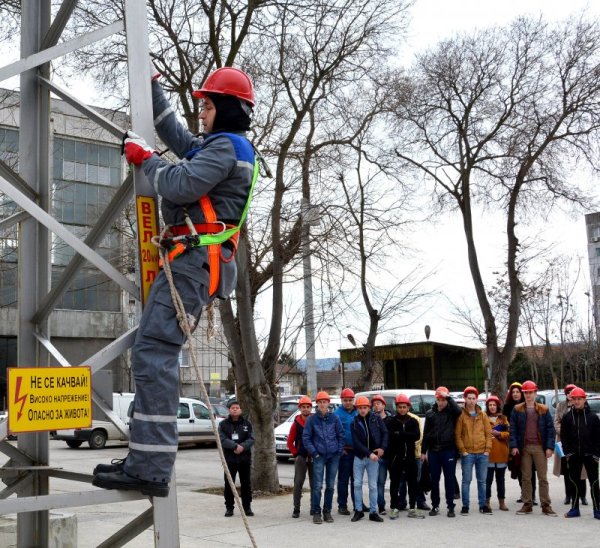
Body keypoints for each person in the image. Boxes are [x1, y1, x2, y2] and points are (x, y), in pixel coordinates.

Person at [93, 67, 257, 497]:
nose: (201, 113)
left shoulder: (226, 148)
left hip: (190, 265)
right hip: (192, 265)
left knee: (154, 355)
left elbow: (180, 183)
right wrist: (152, 89)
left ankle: (149, 465)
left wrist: (146, 159)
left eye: (206, 106)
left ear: (224, 109)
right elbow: (179, 137)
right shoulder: (225, 146)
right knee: (153, 353)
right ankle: (145, 462)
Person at [509, 380, 557, 516]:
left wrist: (549, 447)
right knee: (526, 477)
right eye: (526, 393)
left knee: (542, 477)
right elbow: (512, 429)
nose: (528, 395)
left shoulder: (544, 409)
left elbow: (550, 429)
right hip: (524, 448)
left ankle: (546, 505)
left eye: (530, 392)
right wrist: (513, 446)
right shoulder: (517, 409)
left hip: (540, 448)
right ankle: (527, 504)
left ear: (535, 393)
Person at [303, 391, 345, 524]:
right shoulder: (311, 419)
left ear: (328, 403)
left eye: (324, 402)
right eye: (320, 402)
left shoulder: (335, 418)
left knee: (331, 486)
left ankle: (327, 511)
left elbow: (341, 435)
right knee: (317, 485)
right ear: (317, 404)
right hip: (319, 456)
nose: (322, 404)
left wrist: (338, 451)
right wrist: (314, 452)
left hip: (333, 456)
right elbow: (306, 438)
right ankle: (316, 512)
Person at [421, 386, 462, 518]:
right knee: (434, 480)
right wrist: (423, 451)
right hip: (433, 451)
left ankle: (450, 506)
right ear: (436, 399)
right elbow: (426, 434)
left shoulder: (452, 412)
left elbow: (459, 411)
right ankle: (435, 505)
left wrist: (449, 397)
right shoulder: (430, 413)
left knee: (449, 479)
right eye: (439, 399)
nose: (441, 402)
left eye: (444, 399)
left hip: (448, 450)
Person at [560, 387, 600, 519]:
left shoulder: (593, 417)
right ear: (571, 400)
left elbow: (598, 437)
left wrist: (596, 454)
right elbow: (564, 437)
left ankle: (597, 509)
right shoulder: (567, 417)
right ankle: (575, 508)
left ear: (584, 399)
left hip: (590, 455)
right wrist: (568, 453)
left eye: (579, 399)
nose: (577, 401)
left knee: (594, 482)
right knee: (574, 482)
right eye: (574, 399)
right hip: (573, 455)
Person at [455, 386, 492, 515]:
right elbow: (458, 435)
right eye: (469, 398)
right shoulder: (461, 416)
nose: (471, 401)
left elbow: (488, 434)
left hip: (482, 453)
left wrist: (487, 450)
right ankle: (465, 506)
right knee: (466, 481)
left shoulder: (483, 416)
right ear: (465, 399)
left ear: (477, 400)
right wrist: (463, 450)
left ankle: (483, 505)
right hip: (468, 454)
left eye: (473, 398)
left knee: (482, 481)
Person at [350, 396, 388, 523]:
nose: (362, 410)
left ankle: (373, 512)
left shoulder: (376, 419)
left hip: (374, 458)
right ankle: (358, 510)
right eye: (360, 408)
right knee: (357, 484)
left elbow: (385, 433)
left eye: (365, 408)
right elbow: (356, 442)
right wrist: (368, 453)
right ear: (357, 409)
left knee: (373, 485)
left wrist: (382, 447)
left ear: (368, 408)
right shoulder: (354, 422)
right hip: (360, 457)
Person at [386, 394, 425, 519]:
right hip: (396, 458)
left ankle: (412, 508)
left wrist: (400, 434)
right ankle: (394, 507)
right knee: (395, 483)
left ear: (408, 407)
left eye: (404, 407)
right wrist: (406, 435)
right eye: (400, 407)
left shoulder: (413, 421)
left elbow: (417, 436)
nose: (402, 409)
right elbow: (391, 436)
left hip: (410, 457)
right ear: (396, 407)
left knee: (412, 483)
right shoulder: (391, 421)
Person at [216, 400, 255, 516]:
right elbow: (222, 439)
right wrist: (234, 446)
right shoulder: (223, 424)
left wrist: (242, 447)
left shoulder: (247, 424)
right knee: (229, 484)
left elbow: (252, 438)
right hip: (230, 459)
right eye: (232, 408)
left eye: (237, 407)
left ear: (240, 410)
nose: (235, 409)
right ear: (229, 410)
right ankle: (229, 508)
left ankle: (247, 507)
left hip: (244, 459)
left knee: (246, 484)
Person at [504, 381, 537, 505]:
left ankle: (532, 495)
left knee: (530, 470)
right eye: (513, 392)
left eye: (518, 392)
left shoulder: (528, 406)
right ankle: (524, 493)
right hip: (514, 442)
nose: (516, 394)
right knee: (518, 468)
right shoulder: (507, 407)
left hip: (528, 442)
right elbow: (504, 424)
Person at [555, 384, 587, 506]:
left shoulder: (582, 405)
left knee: (582, 471)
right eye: (568, 392)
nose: (570, 394)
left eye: (571, 392)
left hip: (580, 442)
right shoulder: (561, 406)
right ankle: (568, 495)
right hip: (564, 441)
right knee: (567, 470)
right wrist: (563, 432)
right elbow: (556, 421)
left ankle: (583, 496)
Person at [287, 395, 314, 518]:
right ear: (300, 408)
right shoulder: (296, 423)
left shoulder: (315, 421)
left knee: (315, 483)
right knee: (298, 482)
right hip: (301, 457)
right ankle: (296, 508)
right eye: (303, 407)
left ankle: (314, 507)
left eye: (308, 407)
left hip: (314, 456)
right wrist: (296, 454)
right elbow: (289, 442)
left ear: (311, 408)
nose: (306, 409)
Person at [334, 387, 358, 515]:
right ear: (342, 400)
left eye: (350, 400)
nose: (348, 402)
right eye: (345, 400)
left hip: (357, 451)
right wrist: (340, 448)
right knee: (343, 480)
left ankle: (357, 504)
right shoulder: (337, 414)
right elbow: (334, 433)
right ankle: (342, 505)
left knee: (357, 480)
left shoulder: (358, 412)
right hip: (345, 452)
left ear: (353, 400)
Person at [485, 395, 510, 511]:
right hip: (488, 454)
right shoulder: (483, 417)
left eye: (494, 404)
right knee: (487, 480)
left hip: (501, 453)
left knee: (501, 480)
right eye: (490, 405)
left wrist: (499, 434)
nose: (492, 407)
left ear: (497, 406)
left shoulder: (503, 418)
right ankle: (487, 502)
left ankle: (502, 502)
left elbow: (509, 433)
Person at [371, 394, 391, 515]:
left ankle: (399, 503)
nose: (376, 406)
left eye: (379, 403)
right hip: (379, 456)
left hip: (391, 455)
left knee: (397, 481)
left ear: (384, 405)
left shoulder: (391, 419)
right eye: (374, 404)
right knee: (380, 482)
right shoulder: (372, 420)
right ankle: (381, 506)